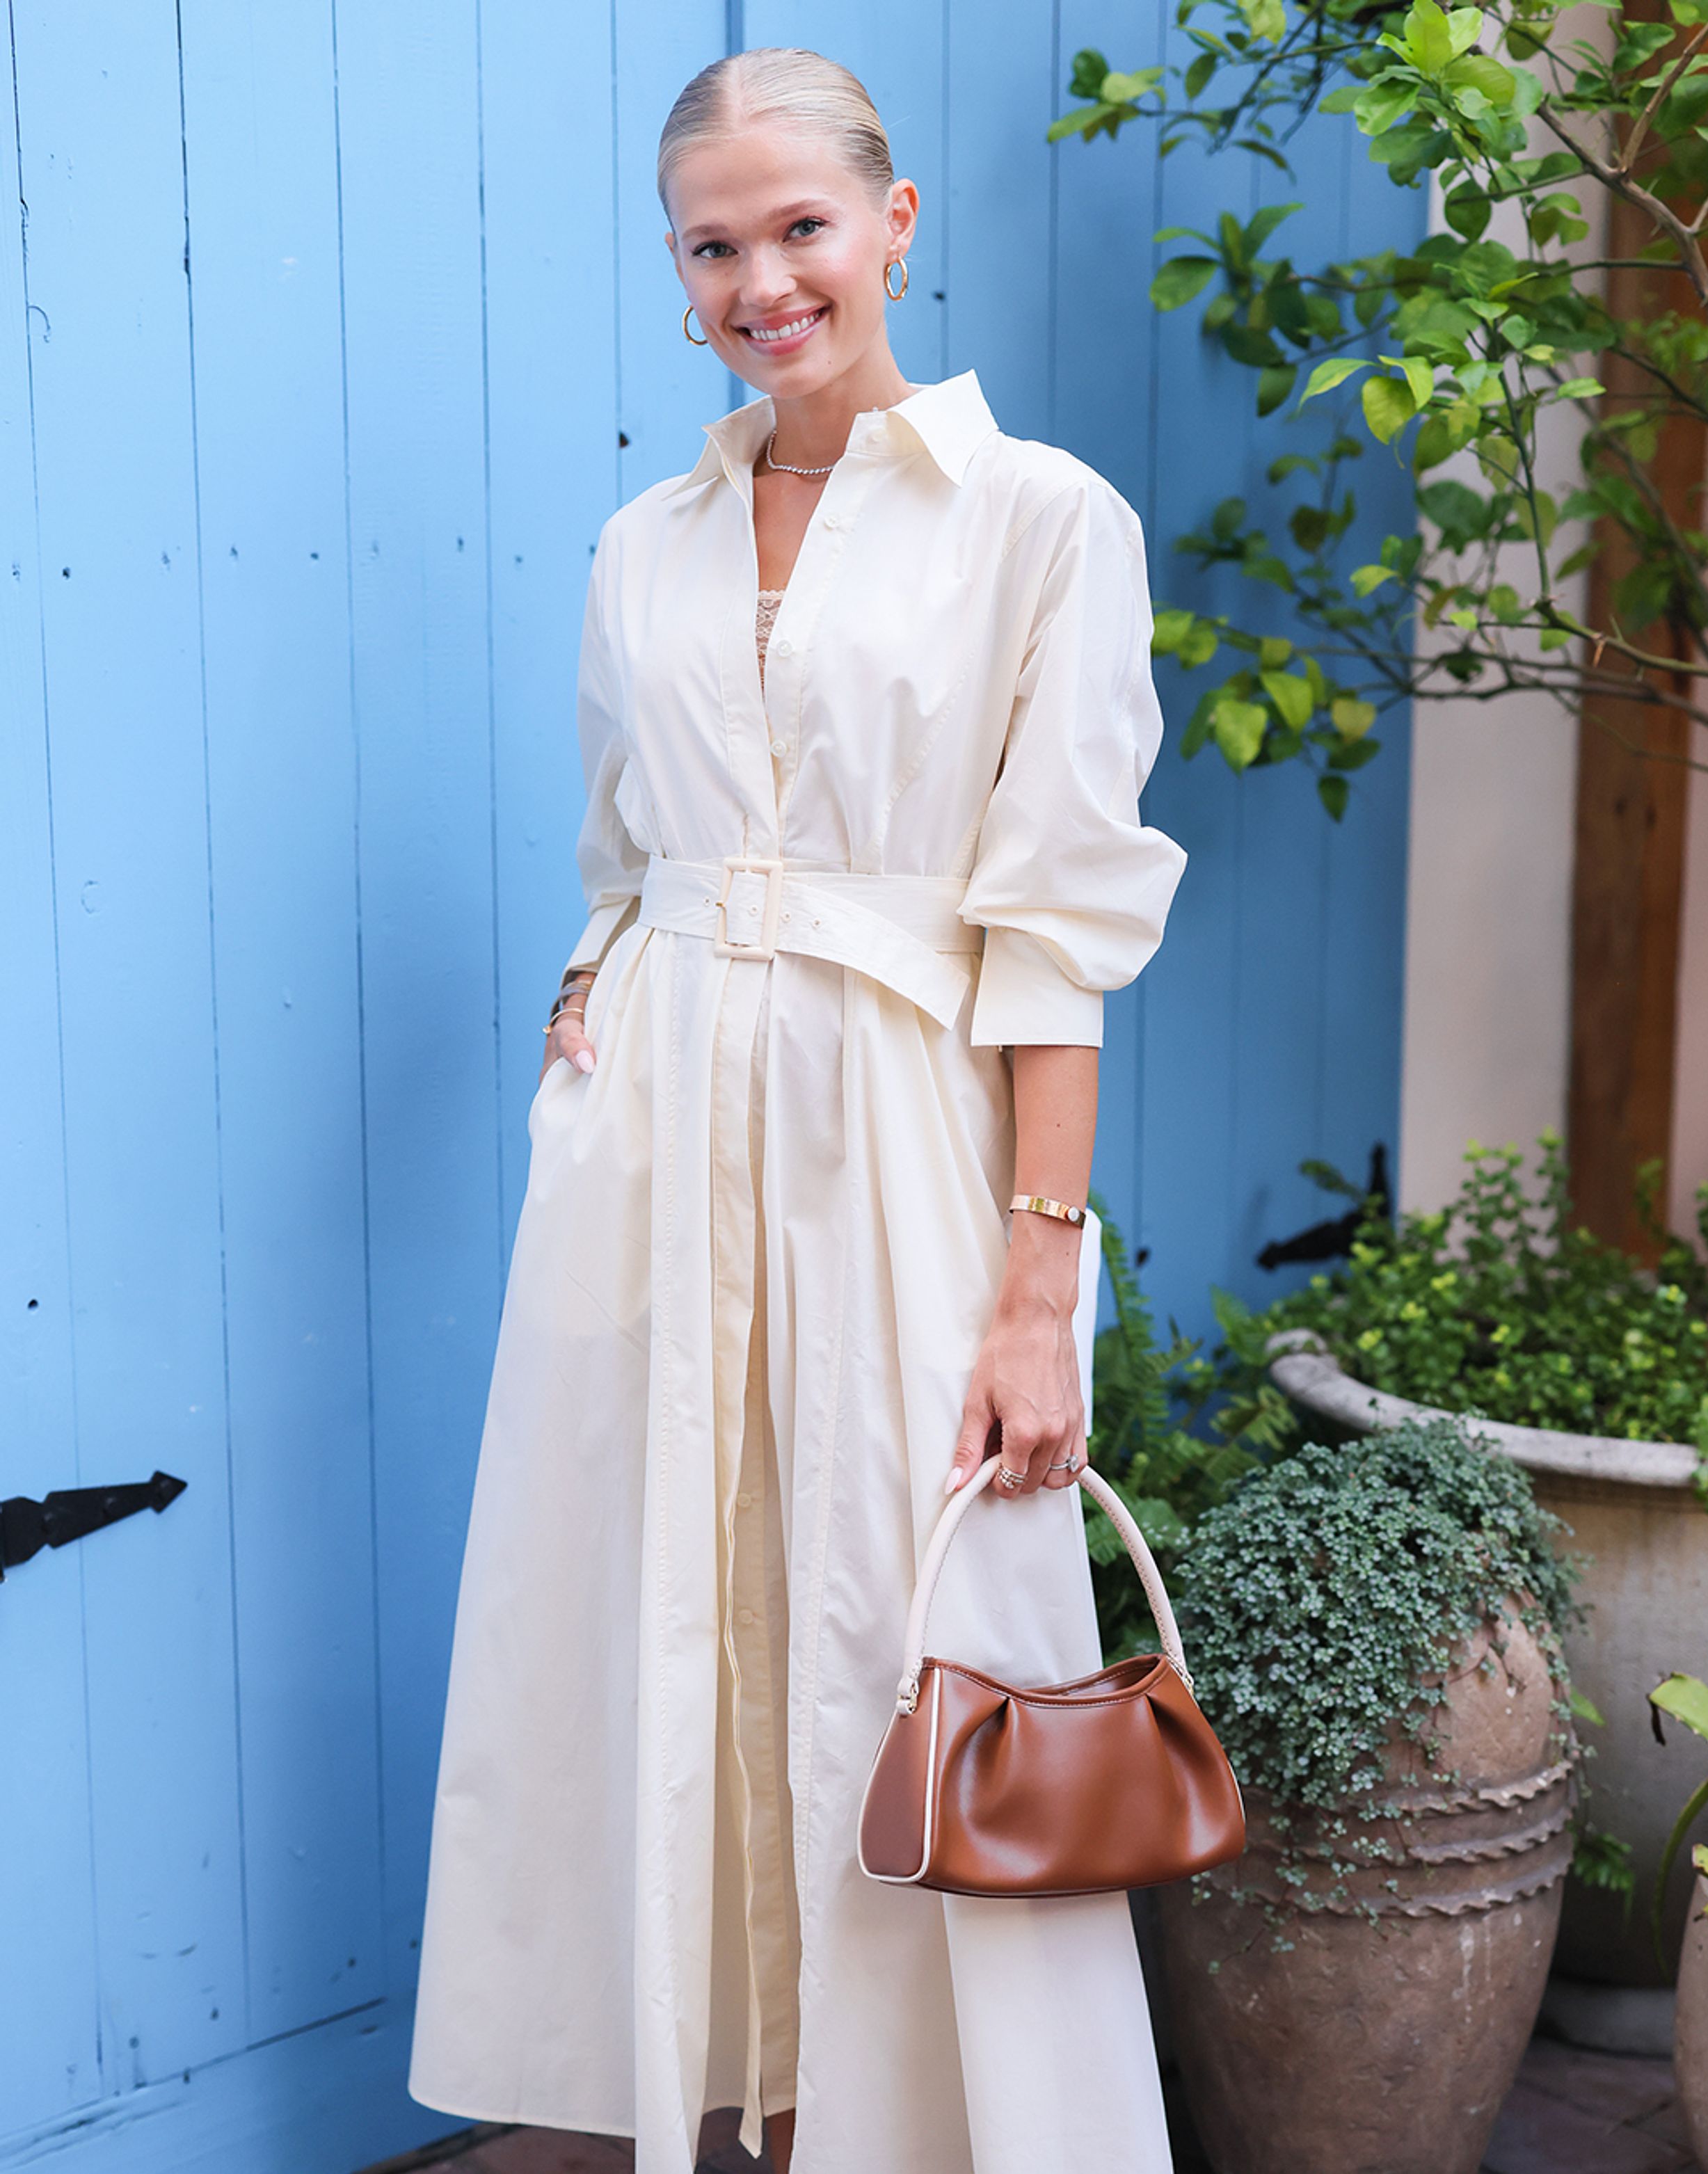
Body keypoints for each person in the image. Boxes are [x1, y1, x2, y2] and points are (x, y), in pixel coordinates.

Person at [407, 44, 1188, 2174]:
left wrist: (1042, 1283)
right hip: (655, 1148)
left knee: (916, 1610)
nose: (762, 279)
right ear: (681, 273)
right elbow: (615, 841)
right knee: (668, 1600)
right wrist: (592, 996)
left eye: (801, 227)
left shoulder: (1042, 525)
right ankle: (733, 2097)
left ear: (895, 223)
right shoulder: (641, 544)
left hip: (903, 1136)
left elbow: (1057, 928)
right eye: (713, 245)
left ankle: (961, 2134)